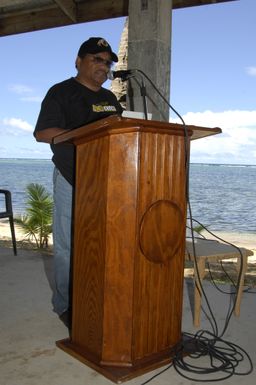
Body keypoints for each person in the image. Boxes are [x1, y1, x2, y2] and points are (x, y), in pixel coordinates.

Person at [34, 37, 123, 328]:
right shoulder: (61, 92)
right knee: (68, 246)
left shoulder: (110, 99)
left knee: (101, 245)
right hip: (72, 177)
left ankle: (95, 298)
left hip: (107, 181)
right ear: (78, 61)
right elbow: (43, 133)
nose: (103, 65)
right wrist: (85, 133)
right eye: (96, 59)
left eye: (107, 61)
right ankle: (65, 305)